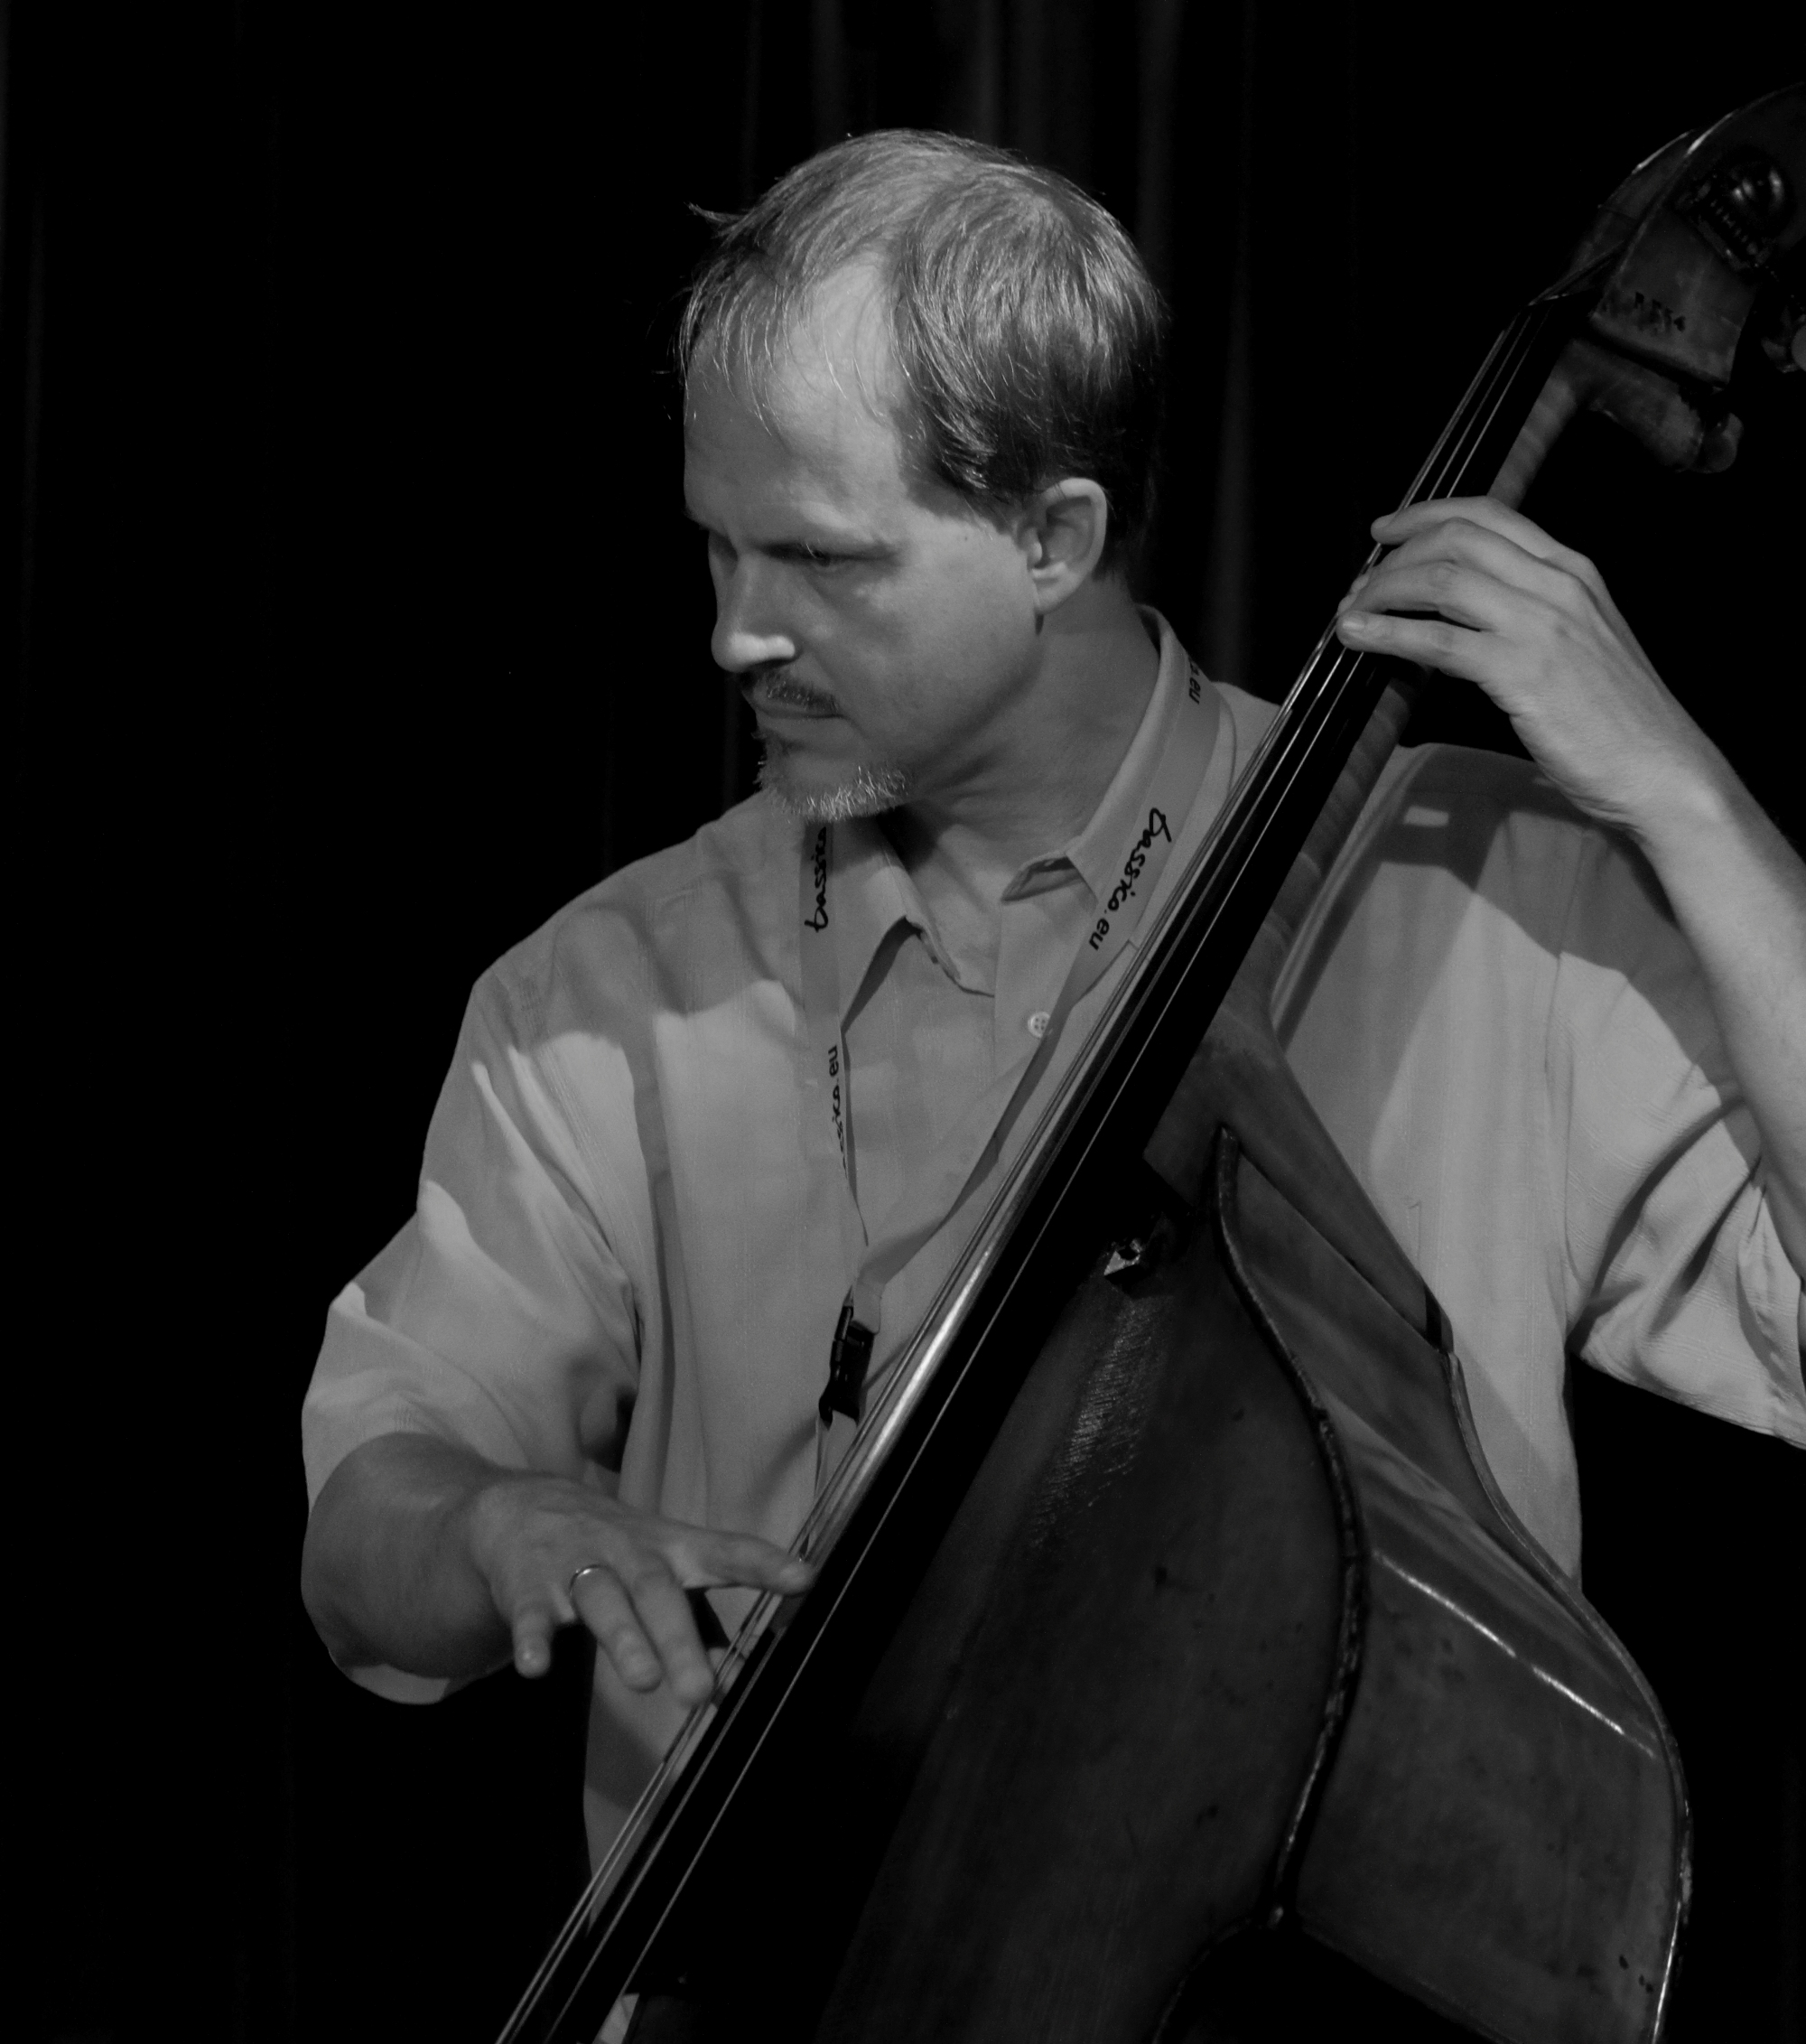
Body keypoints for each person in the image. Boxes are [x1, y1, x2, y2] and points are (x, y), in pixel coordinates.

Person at [299, 129, 1806, 1881]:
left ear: (1049, 533)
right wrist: (492, 1518)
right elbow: (363, 1532)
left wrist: (1695, 812)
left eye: (819, 561)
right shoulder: (603, 990)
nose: (733, 636)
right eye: (716, 550)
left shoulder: (1488, 903)